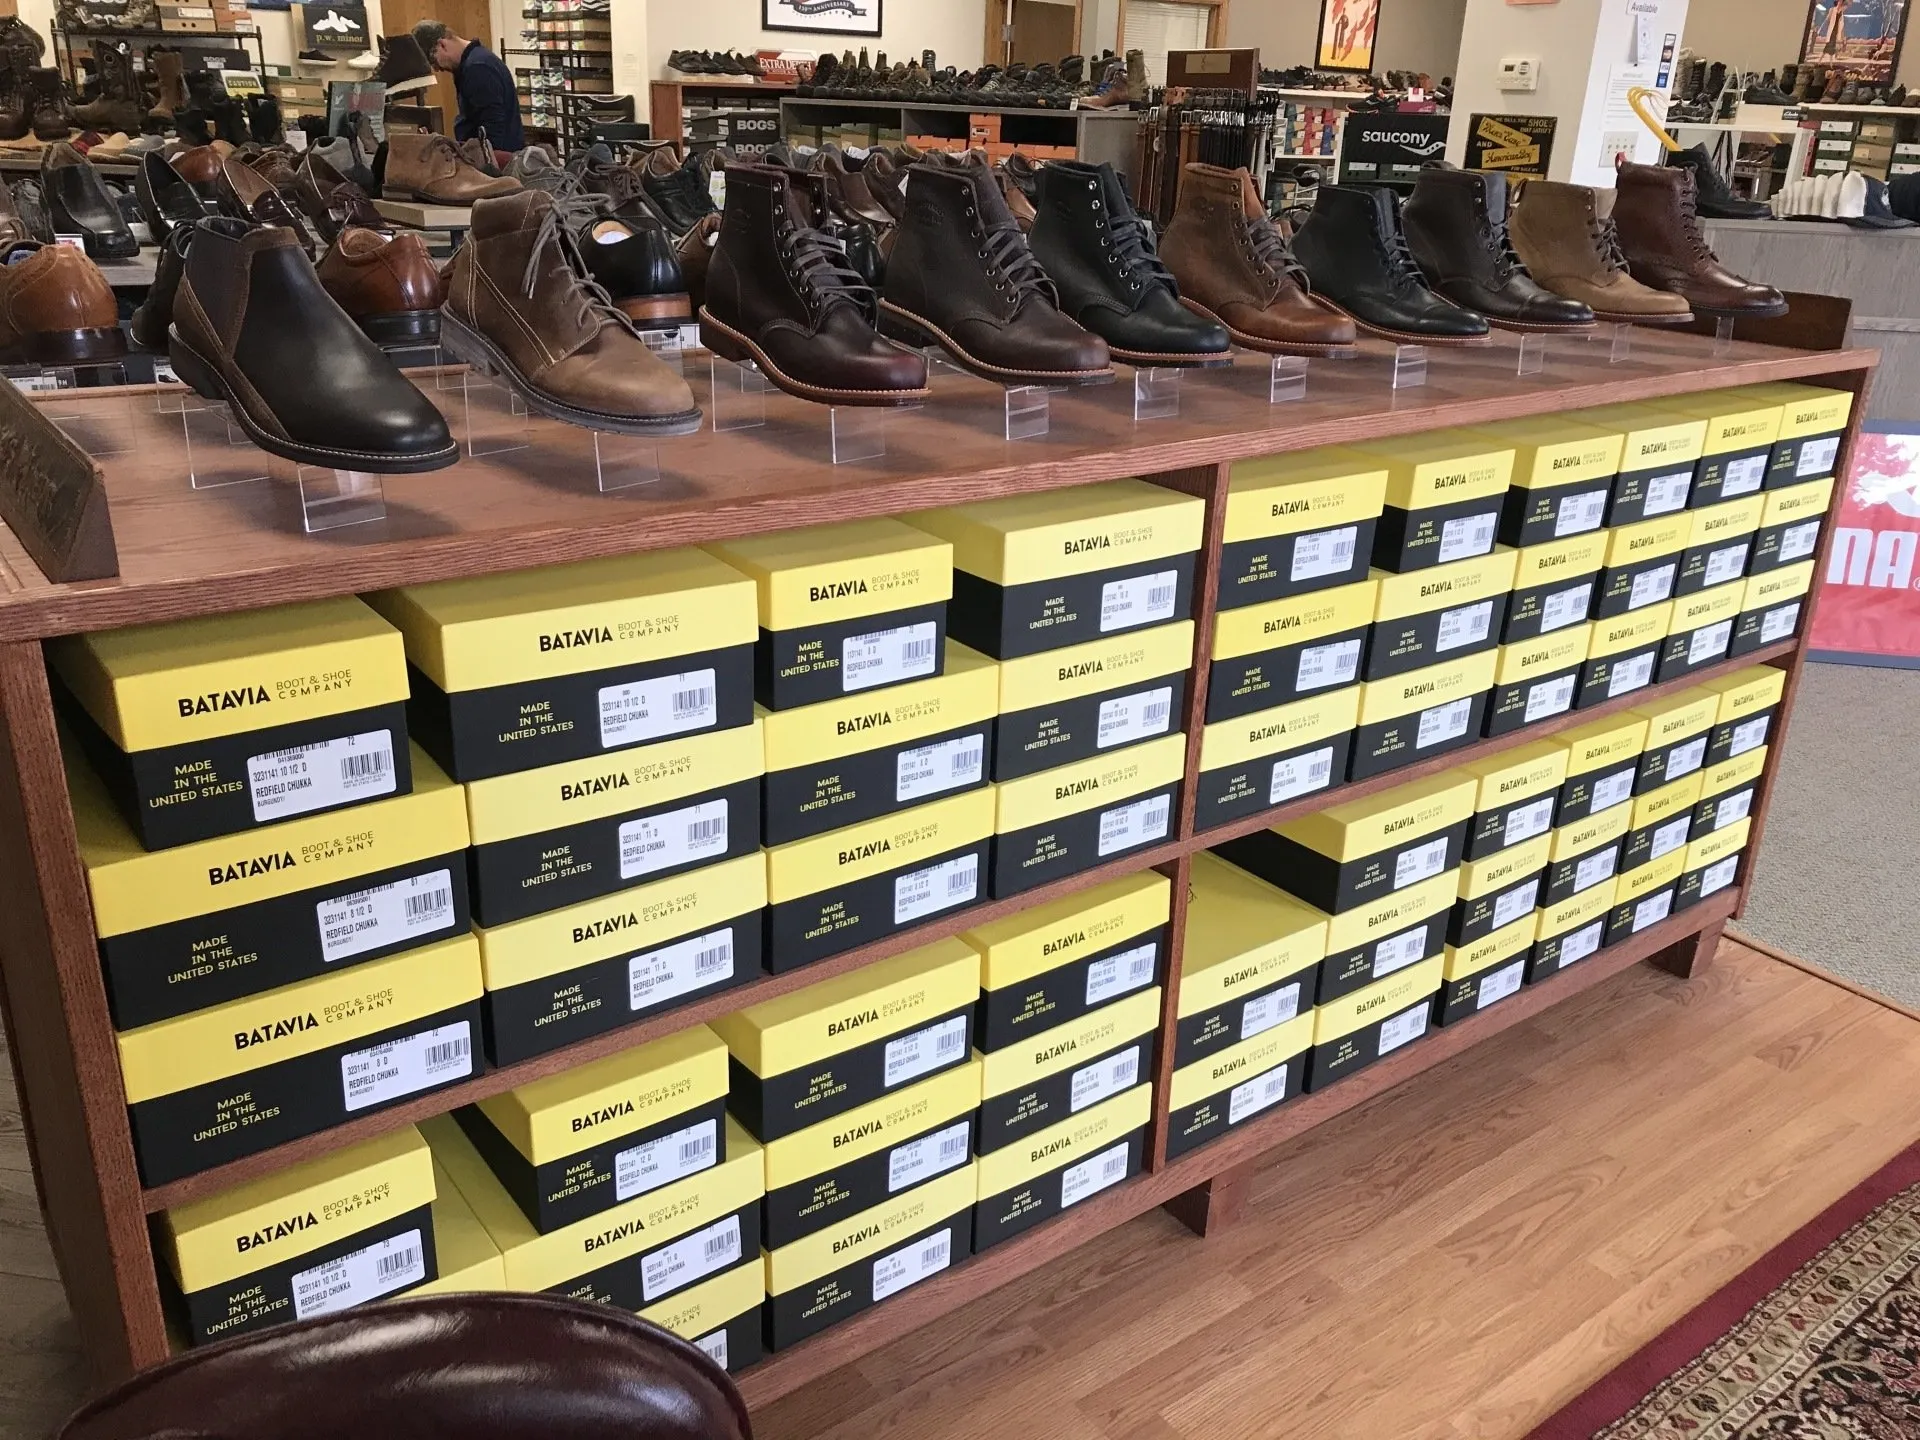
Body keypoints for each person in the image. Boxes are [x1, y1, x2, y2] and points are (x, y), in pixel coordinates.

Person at [411, 19, 525, 158]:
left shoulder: (477, 68)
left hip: (496, 161)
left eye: (433, 61)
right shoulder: (474, 62)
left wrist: (489, 168)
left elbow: (493, 127)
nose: (436, 69)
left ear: (442, 45)